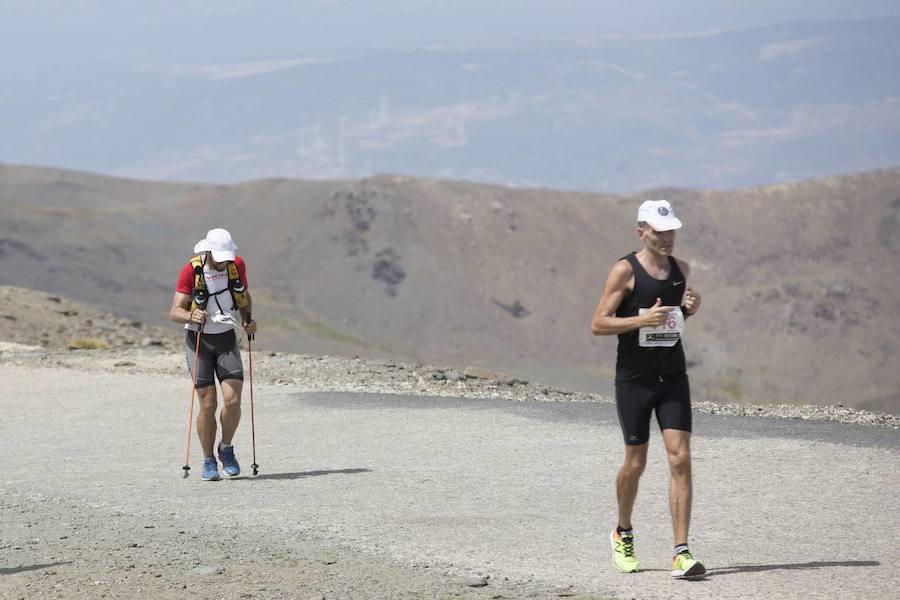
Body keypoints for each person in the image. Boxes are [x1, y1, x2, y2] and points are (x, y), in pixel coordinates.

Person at [590, 199, 705, 579]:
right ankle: (622, 532)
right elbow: (598, 324)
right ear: (642, 233)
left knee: (680, 456)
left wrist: (686, 310)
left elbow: (670, 322)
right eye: (659, 232)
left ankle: (681, 552)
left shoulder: (681, 271)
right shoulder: (625, 271)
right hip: (634, 380)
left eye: (672, 230)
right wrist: (641, 319)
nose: (668, 238)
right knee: (635, 463)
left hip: (672, 376)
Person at [169, 228, 257, 481]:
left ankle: (225, 448)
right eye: (219, 256)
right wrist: (190, 315)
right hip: (198, 340)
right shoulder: (191, 270)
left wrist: (249, 319)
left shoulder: (236, 264)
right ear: (207, 250)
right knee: (208, 404)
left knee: (232, 400)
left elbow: (244, 296)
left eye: (226, 256)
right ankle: (208, 460)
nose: (223, 261)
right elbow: (175, 311)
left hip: (226, 337)